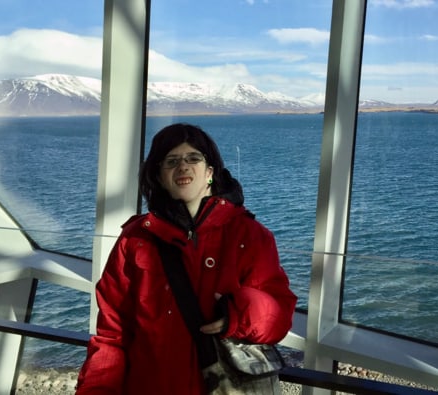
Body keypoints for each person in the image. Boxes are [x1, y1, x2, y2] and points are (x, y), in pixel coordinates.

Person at [76, 123, 297, 394]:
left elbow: (280, 316)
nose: (183, 166)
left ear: (210, 173)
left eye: (193, 158)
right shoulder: (134, 241)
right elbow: (112, 334)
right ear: (158, 176)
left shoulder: (249, 236)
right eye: (171, 161)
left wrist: (239, 313)